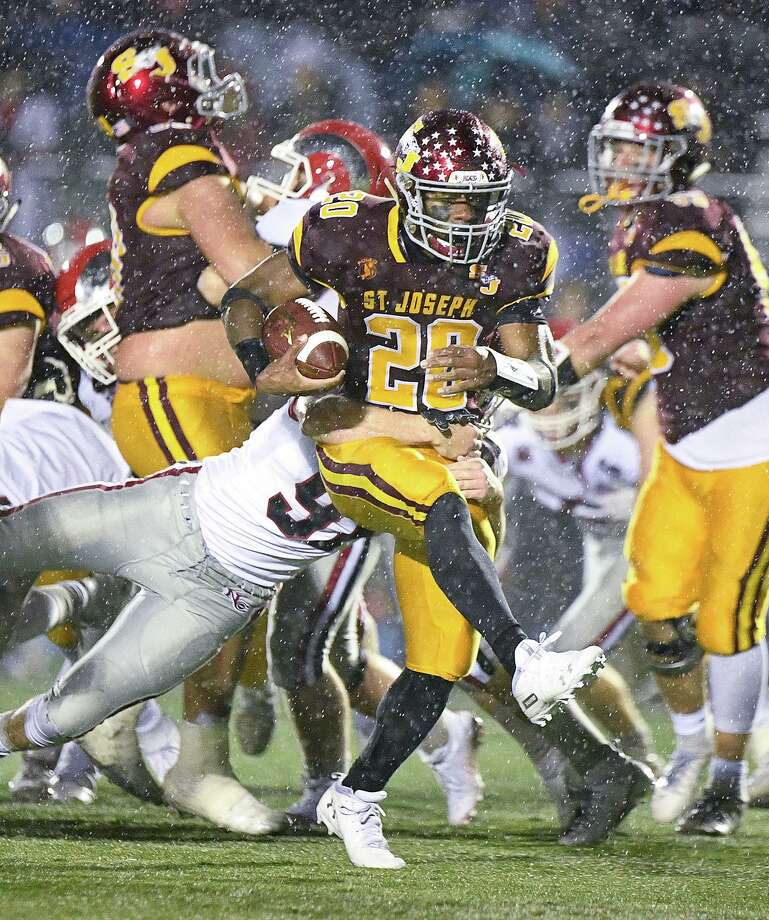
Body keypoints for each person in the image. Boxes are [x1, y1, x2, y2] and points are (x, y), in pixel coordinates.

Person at [222, 109, 625, 867]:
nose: (468, 218)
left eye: (481, 199)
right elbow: (244, 296)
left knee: (442, 653)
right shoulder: (341, 231)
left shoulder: (514, 250)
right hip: (352, 441)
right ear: (402, 190)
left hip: (451, 451)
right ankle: (236, 751)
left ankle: (358, 791)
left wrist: (496, 371)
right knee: (304, 640)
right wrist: (260, 367)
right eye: (449, 201)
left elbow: (538, 381)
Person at [553, 82, 769, 835]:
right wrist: (645, 350)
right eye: (615, 147)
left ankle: (726, 781)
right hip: (685, 439)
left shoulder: (689, 220)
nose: (621, 162)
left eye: (640, 150)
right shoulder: (638, 223)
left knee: (727, 625)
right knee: (653, 601)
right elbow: (676, 325)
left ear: (681, 158)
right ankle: (686, 748)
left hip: (750, 441)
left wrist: (522, 373)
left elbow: (590, 344)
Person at [86, 27, 280, 834]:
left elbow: (206, 275)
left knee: (234, 574)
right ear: (160, 92)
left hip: (202, 394)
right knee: (218, 577)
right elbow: (250, 268)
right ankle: (177, 749)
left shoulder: (166, 163)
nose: (213, 88)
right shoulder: (178, 158)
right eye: (194, 78)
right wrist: (330, 292)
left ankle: (125, 717)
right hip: (176, 392)